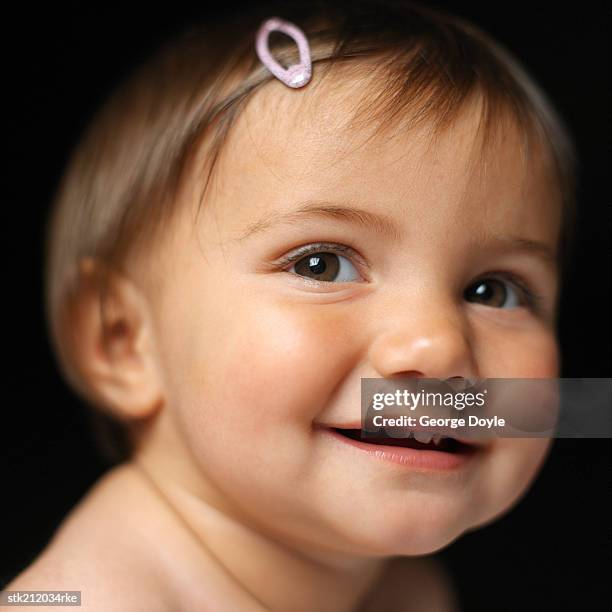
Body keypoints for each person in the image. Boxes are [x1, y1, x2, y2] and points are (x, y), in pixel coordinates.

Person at [5, 1, 577, 610]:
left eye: (493, 290)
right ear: (121, 341)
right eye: (320, 264)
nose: (437, 344)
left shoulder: (410, 591)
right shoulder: (89, 599)